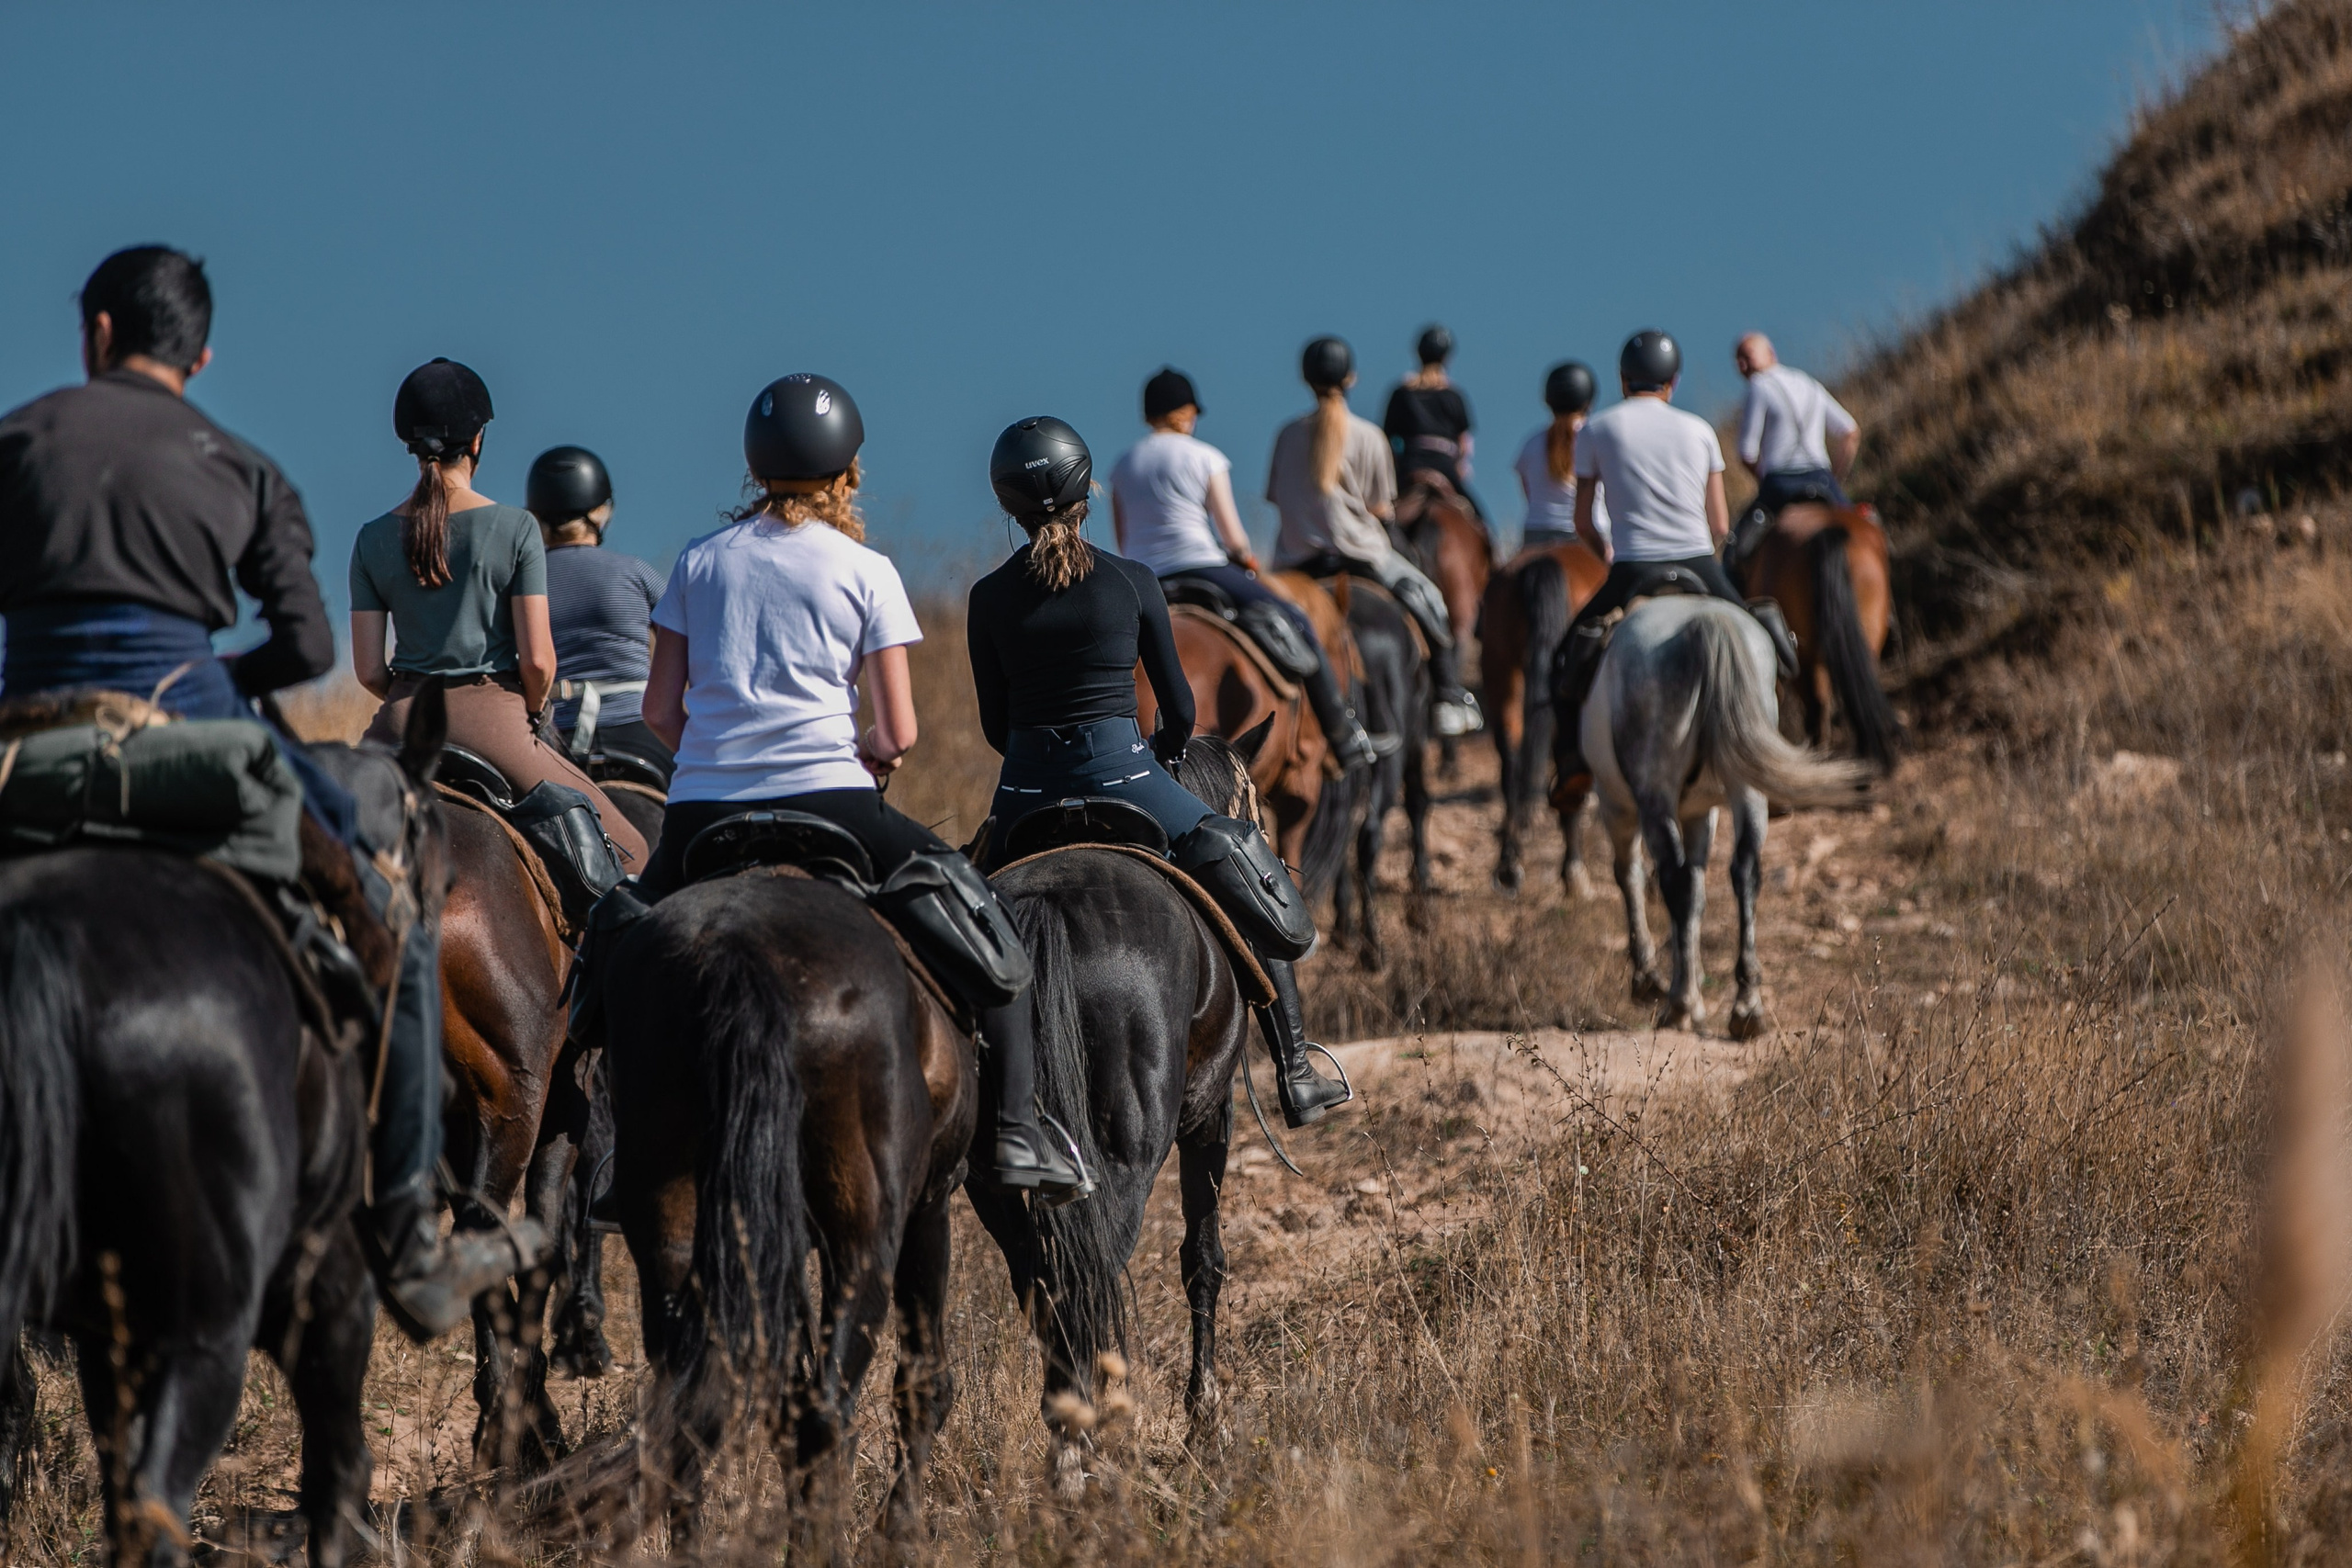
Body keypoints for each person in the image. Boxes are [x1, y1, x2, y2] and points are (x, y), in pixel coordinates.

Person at [0, 245, 538, 1337]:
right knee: (392, 908)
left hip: (20, 751)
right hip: (188, 741)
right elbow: (299, 645)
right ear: (199, 354)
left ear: (96, 335)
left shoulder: (16, 442)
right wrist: (202, 687)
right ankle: (409, 1234)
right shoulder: (237, 463)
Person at [613, 374, 1086, 1198]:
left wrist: (714, 757)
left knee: (612, 954)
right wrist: (871, 757)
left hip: (699, 812)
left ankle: (624, 1162)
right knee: (989, 931)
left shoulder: (697, 561)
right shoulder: (866, 568)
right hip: (832, 800)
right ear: (846, 470)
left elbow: (659, 709)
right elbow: (897, 731)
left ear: (757, 465)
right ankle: (1014, 1134)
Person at [970, 415, 1351, 1130]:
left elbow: (998, 727)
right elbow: (1179, 706)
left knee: (957, 917)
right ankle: (1297, 1071)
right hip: (1131, 780)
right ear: (1086, 492)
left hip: (1024, 797)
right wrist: (1163, 755)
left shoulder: (986, 598)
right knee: (1248, 872)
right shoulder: (1133, 580)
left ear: (1008, 506)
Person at [350, 361, 650, 873]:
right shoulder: (514, 528)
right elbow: (537, 662)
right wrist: (529, 712)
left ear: (409, 445)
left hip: (400, 721)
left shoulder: (371, 537)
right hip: (495, 725)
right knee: (634, 852)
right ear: (477, 441)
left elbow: (370, 671)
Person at [1550, 330, 1800, 786]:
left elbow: (1583, 521)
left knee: (1566, 660)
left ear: (1623, 380)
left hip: (1632, 568)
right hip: (1700, 562)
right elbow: (1720, 525)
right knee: (1768, 641)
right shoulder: (1699, 430)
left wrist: (1603, 552)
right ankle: (1777, 751)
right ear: (1674, 382)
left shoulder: (1595, 431)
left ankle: (1571, 766)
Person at [1108, 367, 1378, 771]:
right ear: (1184, 413)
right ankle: (1343, 733)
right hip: (1203, 566)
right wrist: (1248, 562)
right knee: (1297, 620)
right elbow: (1233, 537)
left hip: (1144, 581)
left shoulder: (1122, 465)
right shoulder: (1204, 456)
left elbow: (1124, 541)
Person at [1268, 335, 1480, 738]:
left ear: (1305, 379)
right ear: (1351, 378)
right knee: (1429, 599)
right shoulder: (1367, 435)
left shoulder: (1286, 435)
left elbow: (1277, 499)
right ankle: (1450, 695)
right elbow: (1382, 509)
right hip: (1360, 555)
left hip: (1295, 562)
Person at [526, 445, 672, 783]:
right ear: (602, 512)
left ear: (533, 516)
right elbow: (686, 654)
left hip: (552, 736)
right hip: (639, 731)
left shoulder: (520, 583)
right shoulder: (636, 572)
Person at [1725, 333, 1860, 571]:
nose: (1741, 366)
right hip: (1822, 478)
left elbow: (1747, 453)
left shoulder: (1759, 385)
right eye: (1738, 360)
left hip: (1779, 482)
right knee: (1862, 530)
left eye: (1746, 356)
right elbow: (1850, 432)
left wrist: (1764, 478)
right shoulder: (1809, 383)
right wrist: (1835, 478)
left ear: (1771, 354)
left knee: (1735, 550)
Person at [1383, 322, 1486, 523]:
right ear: (1447, 357)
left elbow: (1387, 438)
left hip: (1409, 465)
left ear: (1418, 354)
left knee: (1382, 518)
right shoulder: (1453, 395)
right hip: (1444, 466)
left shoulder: (1402, 393)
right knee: (1481, 523)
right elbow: (1464, 444)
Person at [1514, 360, 1610, 553]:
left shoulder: (1530, 444)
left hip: (1535, 536)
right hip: (1586, 539)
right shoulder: (1597, 442)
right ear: (1589, 401)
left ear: (1548, 400)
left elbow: (1528, 493)